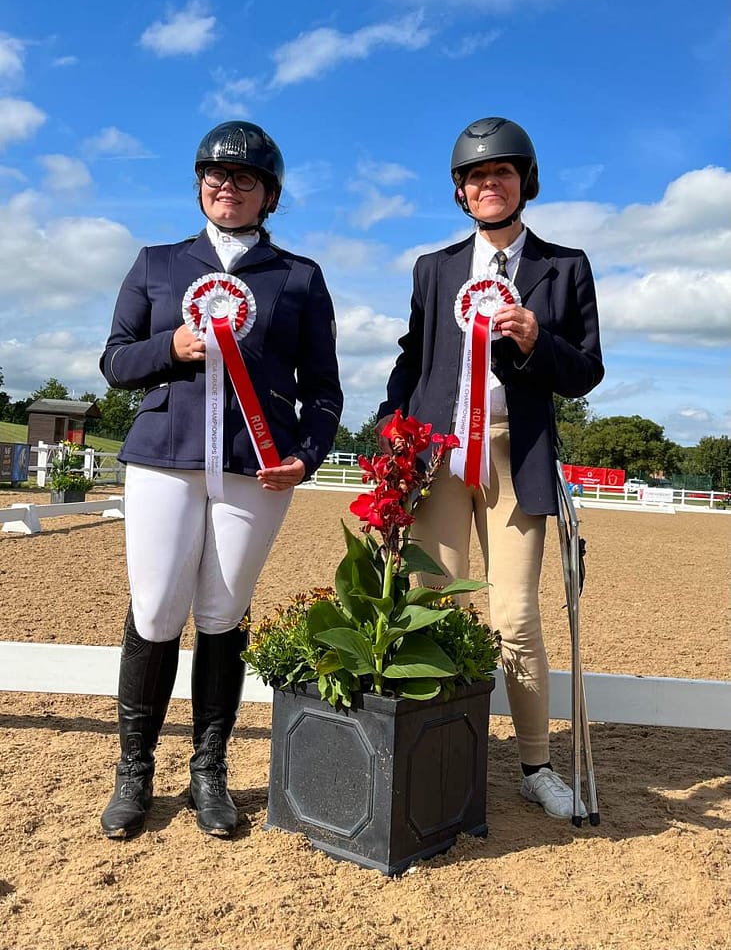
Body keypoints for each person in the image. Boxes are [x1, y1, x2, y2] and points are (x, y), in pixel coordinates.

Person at [99, 120, 343, 839]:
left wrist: (310, 452)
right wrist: (169, 347)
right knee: (154, 610)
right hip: (162, 459)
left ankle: (208, 771)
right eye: (214, 175)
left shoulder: (298, 277)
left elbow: (323, 389)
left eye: (242, 179)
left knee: (223, 613)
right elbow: (114, 362)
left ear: (268, 194)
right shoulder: (156, 262)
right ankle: (133, 773)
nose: (225, 187)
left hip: (252, 467)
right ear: (199, 184)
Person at [377, 116, 604, 820]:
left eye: (500, 173)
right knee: (434, 600)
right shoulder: (433, 267)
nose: (487, 184)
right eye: (475, 177)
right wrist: (391, 426)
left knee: (513, 614)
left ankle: (534, 764)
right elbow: (412, 359)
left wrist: (539, 341)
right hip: (440, 455)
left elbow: (585, 373)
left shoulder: (564, 267)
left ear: (523, 182)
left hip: (518, 455)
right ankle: (435, 746)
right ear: (460, 191)